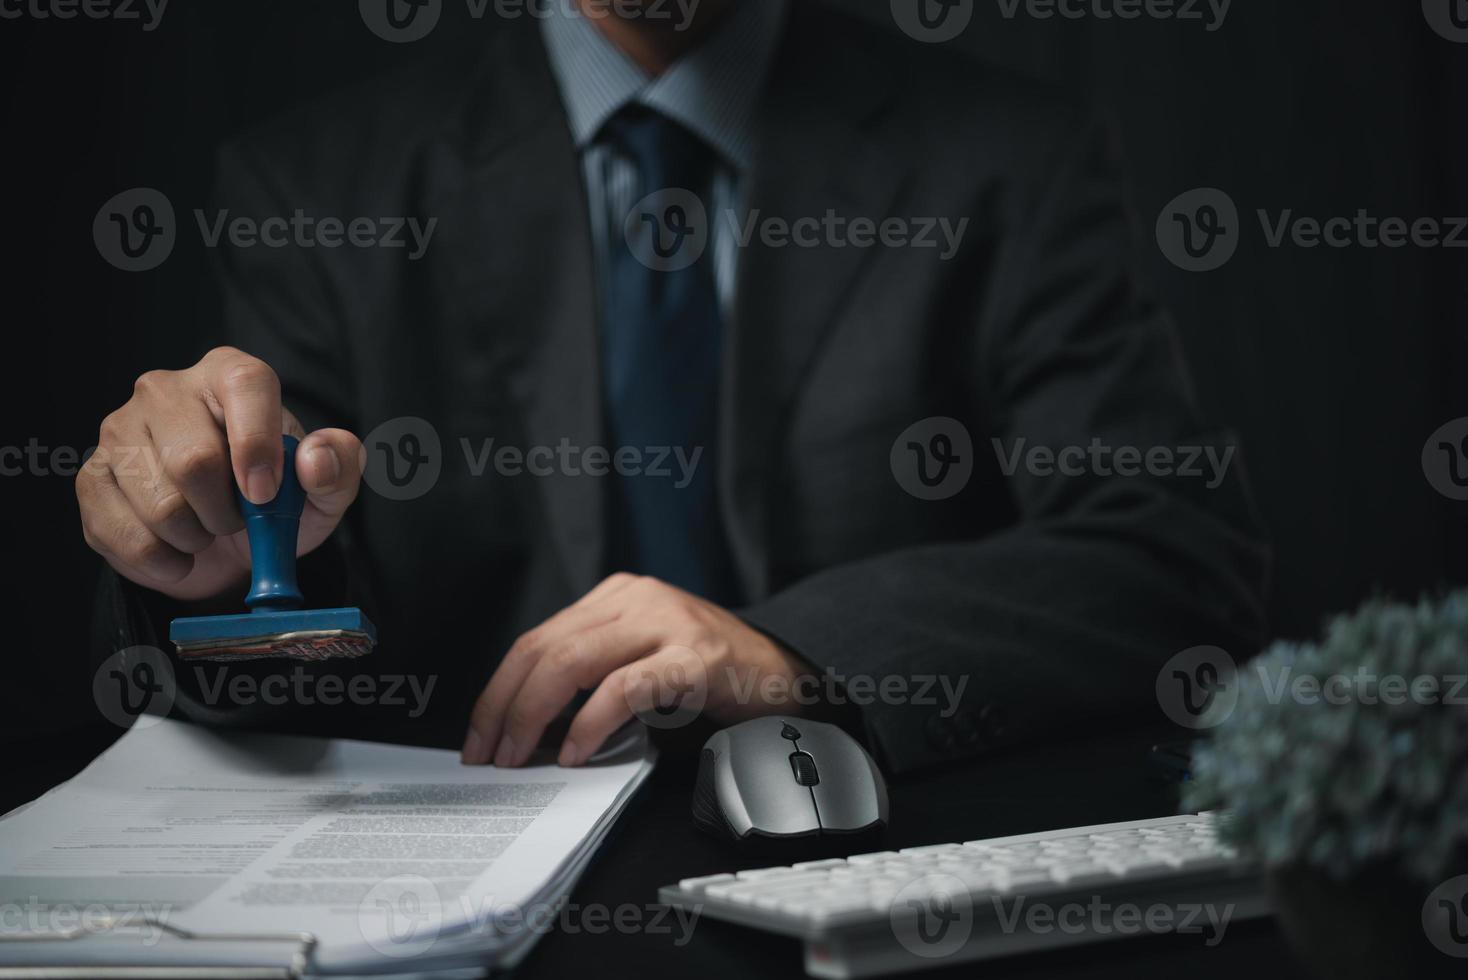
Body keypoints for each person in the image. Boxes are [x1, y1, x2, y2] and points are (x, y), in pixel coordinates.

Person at [77, 0, 1268, 774]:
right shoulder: (313, 184)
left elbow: (1167, 554)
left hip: (883, 871)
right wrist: (223, 554)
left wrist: (792, 655)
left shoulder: (1010, 155)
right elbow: (294, 606)